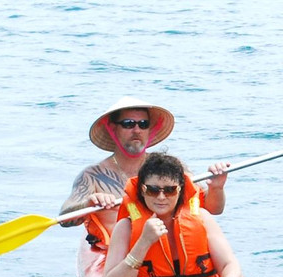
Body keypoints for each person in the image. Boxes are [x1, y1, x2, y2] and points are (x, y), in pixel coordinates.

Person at [59, 97, 228, 251]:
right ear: (112, 128)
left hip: (169, 255)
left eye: (143, 124)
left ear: (150, 129)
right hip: (118, 257)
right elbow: (65, 219)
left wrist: (217, 187)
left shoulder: (171, 168)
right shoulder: (93, 175)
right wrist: (88, 204)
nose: (137, 130)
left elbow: (214, 208)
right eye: (128, 123)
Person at [102, 152, 240, 277]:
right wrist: (143, 242)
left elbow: (228, 264)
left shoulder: (202, 218)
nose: (161, 197)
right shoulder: (125, 227)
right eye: (153, 190)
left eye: (170, 190)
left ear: (180, 190)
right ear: (142, 191)